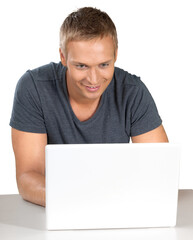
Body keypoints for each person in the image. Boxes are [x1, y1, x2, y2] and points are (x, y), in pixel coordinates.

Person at [10, 7, 168, 207]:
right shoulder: (33, 87)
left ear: (115, 55)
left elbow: (160, 171)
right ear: (63, 57)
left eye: (103, 65)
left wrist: (111, 202)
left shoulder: (132, 92)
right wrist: (78, 201)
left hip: (116, 206)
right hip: (58, 208)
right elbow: (28, 176)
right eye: (81, 66)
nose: (93, 80)